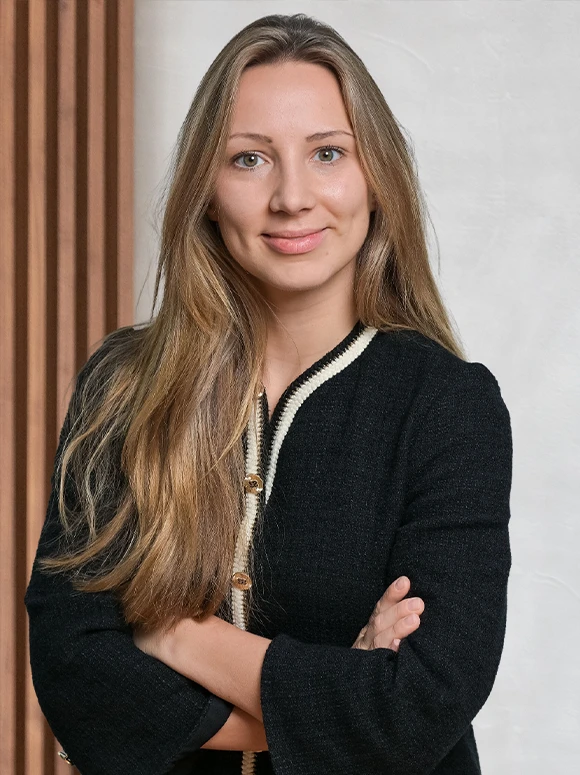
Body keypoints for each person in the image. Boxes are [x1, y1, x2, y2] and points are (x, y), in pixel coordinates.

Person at [24, 12, 512, 775]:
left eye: (328, 153)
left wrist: (183, 638)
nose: (292, 196)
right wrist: (318, 697)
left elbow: (419, 704)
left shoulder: (448, 405)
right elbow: (74, 672)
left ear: (375, 176)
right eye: (249, 159)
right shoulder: (124, 385)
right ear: (207, 190)